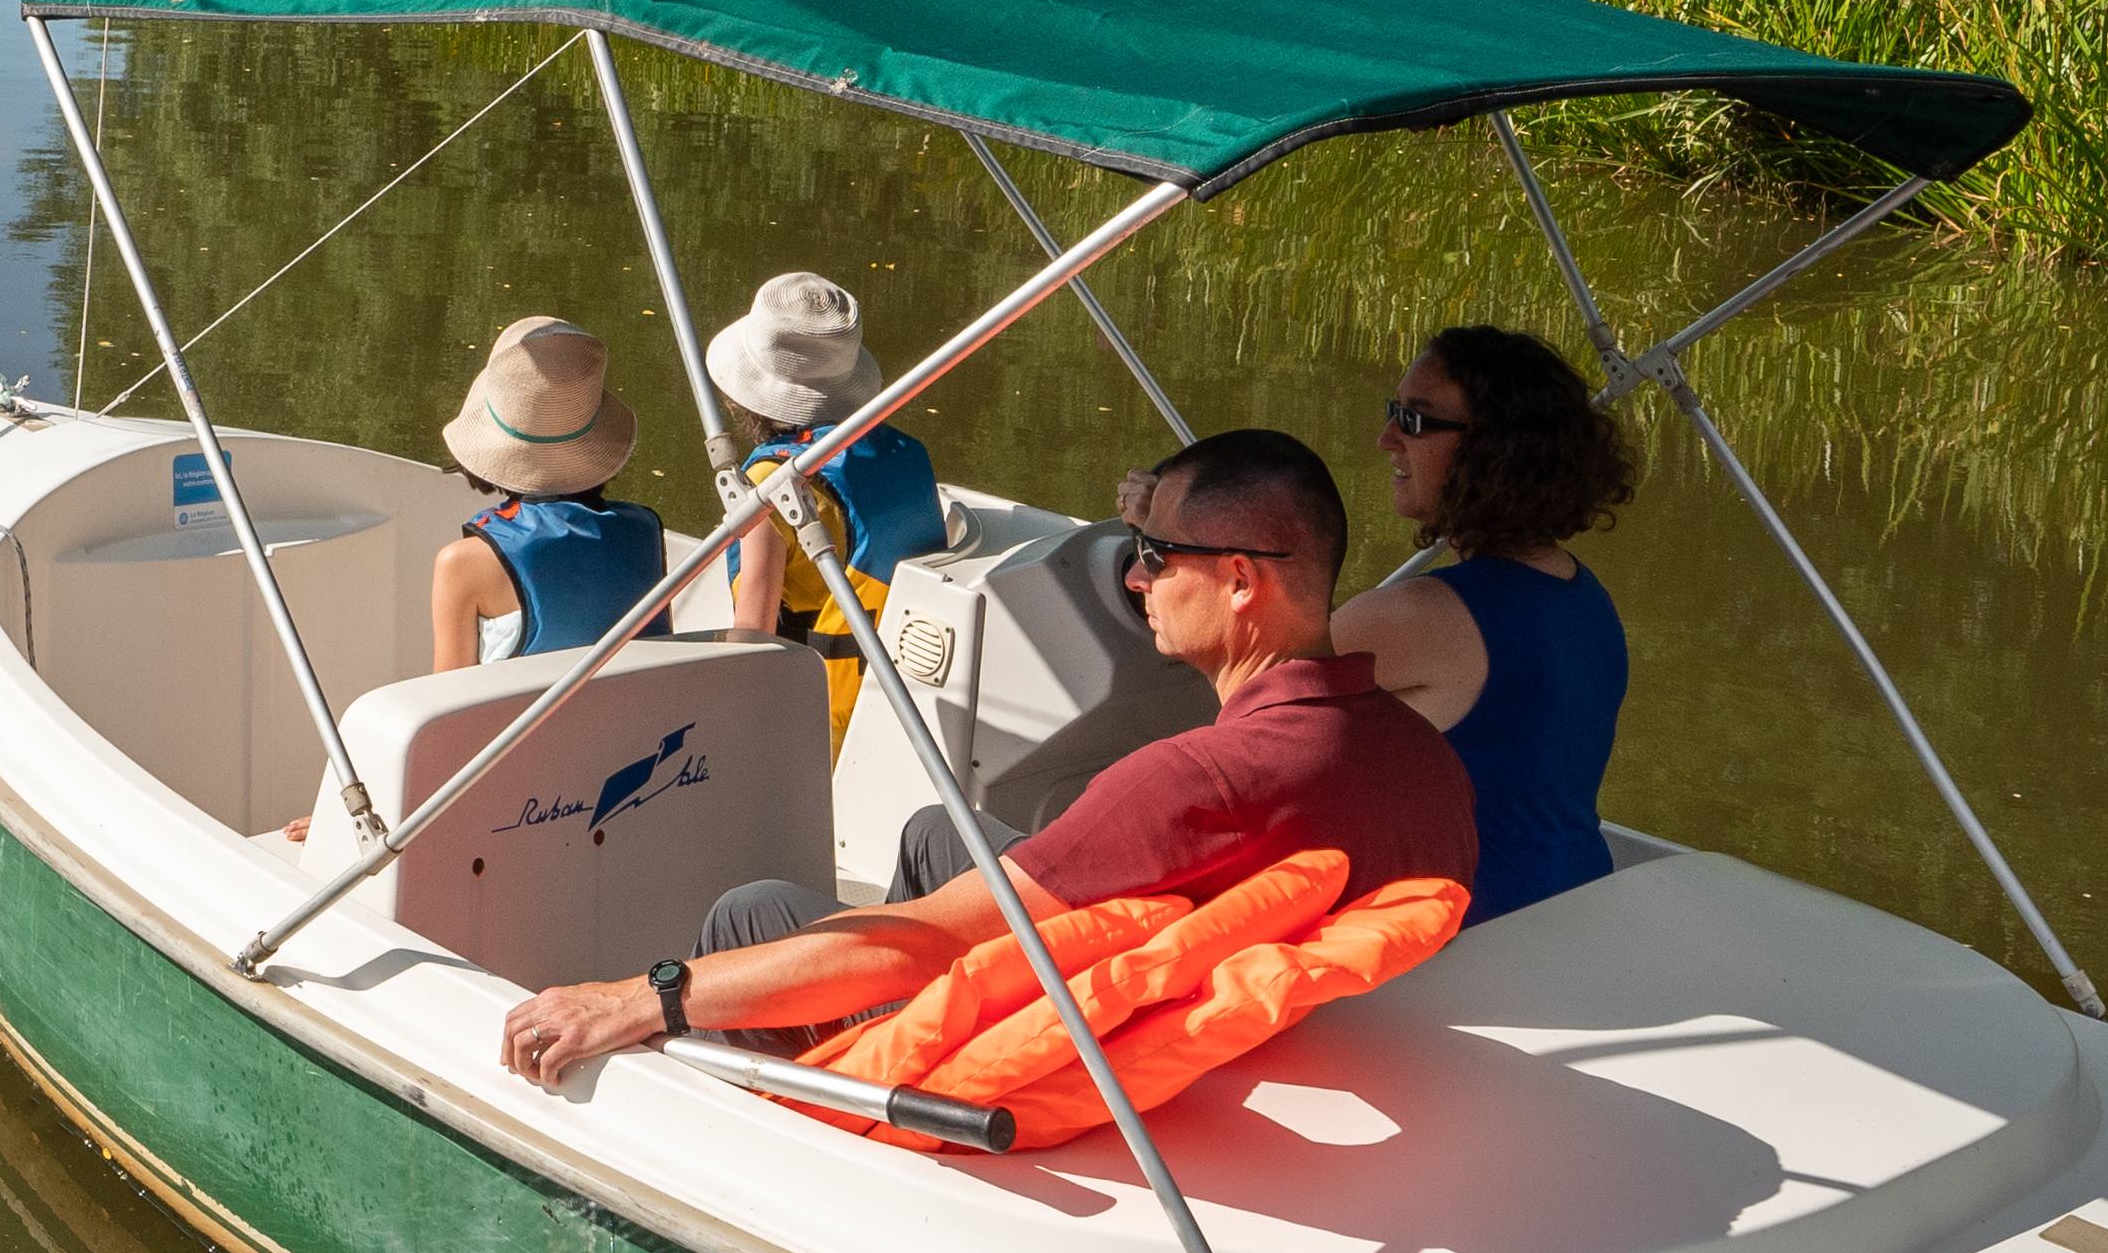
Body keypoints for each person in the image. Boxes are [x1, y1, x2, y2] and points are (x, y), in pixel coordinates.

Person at [502, 429, 1467, 1094]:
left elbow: (917, 944)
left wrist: (639, 995)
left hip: (1056, 1044)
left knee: (751, 911)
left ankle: (794, 1104)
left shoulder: (1194, 781)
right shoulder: (1425, 764)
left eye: (1156, 555)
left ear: (1242, 582)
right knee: (934, 831)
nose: (1133, 577)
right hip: (1224, 1026)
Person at [1324, 323, 1637, 907]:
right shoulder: (1583, 593)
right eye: (1395, 410)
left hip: (1469, 928)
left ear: (1493, 449)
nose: (1386, 438)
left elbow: (1245, 714)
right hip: (1579, 897)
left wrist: (1178, 543)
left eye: (1414, 419)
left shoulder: (1417, 615)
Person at [705, 271, 943, 712]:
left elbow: (752, 644)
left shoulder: (770, 488)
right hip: (899, 701)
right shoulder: (904, 453)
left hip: (819, 714)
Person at [424, 317, 667, 671]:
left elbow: (444, 705)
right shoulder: (644, 532)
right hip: (636, 726)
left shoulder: (462, 563)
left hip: (519, 728)